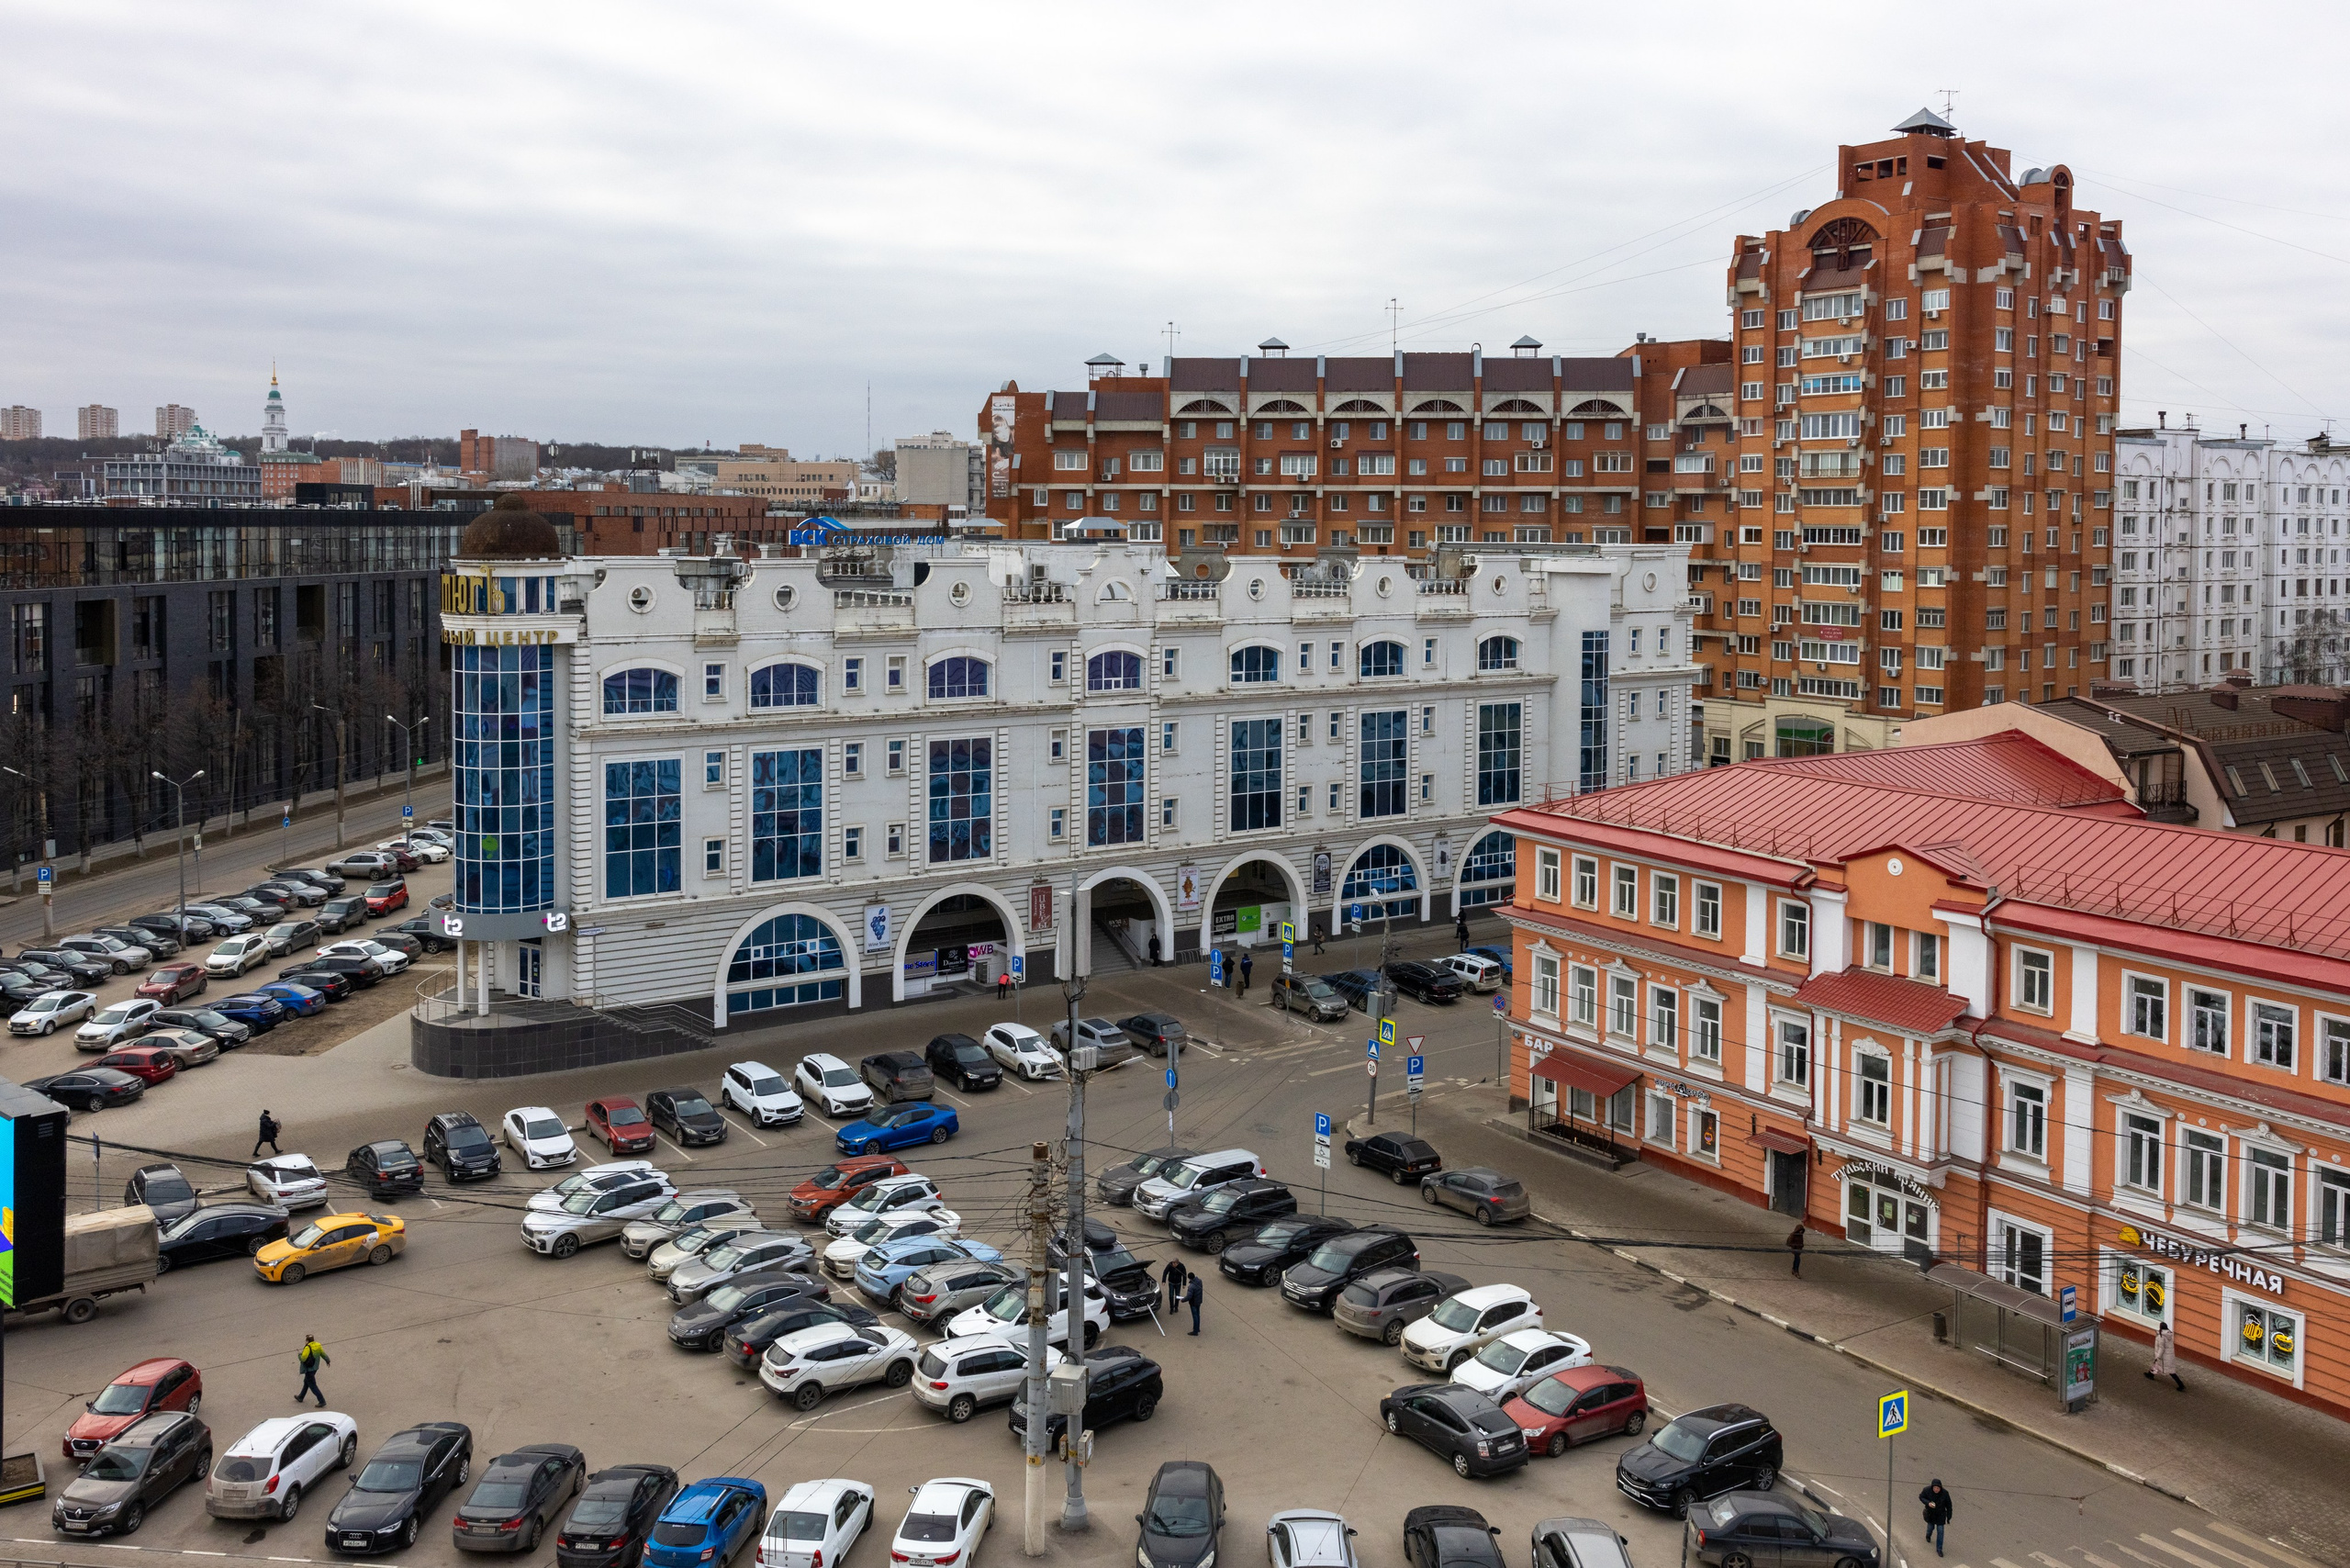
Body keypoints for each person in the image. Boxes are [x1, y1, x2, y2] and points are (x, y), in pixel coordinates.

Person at [1918, 1480, 1953, 1556]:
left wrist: (1949, 1517)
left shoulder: (1945, 1494)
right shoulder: (1927, 1490)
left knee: (1940, 1531)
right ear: (1932, 1487)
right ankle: (1928, 1535)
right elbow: (1921, 1497)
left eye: (1938, 1488)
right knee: (1930, 1527)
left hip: (1941, 1515)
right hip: (1931, 1514)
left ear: (1940, 1488)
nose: (1936, 1489)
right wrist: (1928, 1503)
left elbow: (1949, 1505)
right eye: (1935, 1488)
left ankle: (1939, 1549)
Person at [2145, 1322, 2185, 1390]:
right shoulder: (2168, 1334)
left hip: (2164, 1356)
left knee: (2170, 1371)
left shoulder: (2161, 1336)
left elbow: (2161, 1348)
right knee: (2157, 1365)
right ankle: (2150, 1374)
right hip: (2168, 1356)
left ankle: (2181, 1385)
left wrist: (2158, 1357)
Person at [296, 1335, 330, 1407]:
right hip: (315, 1368)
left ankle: (322, 1400)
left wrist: (299, 1354)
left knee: (313, 1385)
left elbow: (303, 1359)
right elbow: (323, 1354)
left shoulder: (307, 1348)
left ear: (307, 1341)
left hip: (309, 1369)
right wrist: (327, 1360)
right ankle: (301, 1397)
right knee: (306, 1382)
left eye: (305, 1340)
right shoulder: (318, 1345)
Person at [1183, 1271, 1203, 1336]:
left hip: (1193, 1303)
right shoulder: (1199, 1281)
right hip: (1199, 1301)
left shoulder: (1191, 1286)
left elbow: (1189, 1296)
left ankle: (1195, 1331)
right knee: (1198, 1314)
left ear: (1189, 1278)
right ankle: (1198, 1328)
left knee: (1195, 1316)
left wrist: (1183, 1300)